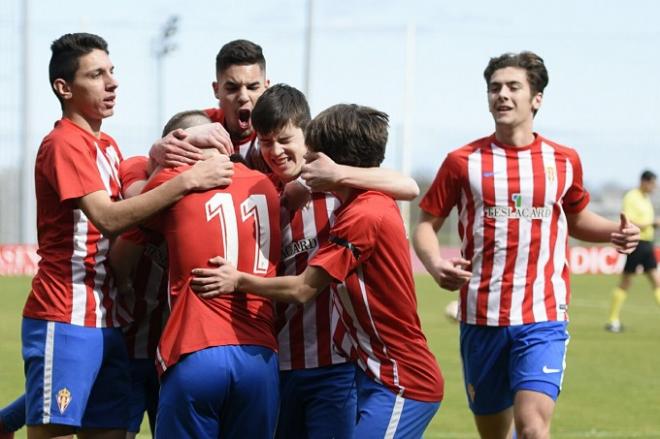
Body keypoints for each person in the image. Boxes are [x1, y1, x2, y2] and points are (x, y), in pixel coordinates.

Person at [412, 51, 640, 439]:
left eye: (513, 87)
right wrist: (435, 264)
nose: (501, 95)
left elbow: (578, 217)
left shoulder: (564, 160)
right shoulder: (462, 161)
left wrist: (614, 233)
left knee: (533, 428)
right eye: (494, 88)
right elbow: (426, 225)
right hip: (481, 318)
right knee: (495, 434)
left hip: (543, 315)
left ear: (537, 98)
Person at [22, 32, 231, 439]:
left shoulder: (109, 145)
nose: (112, 82)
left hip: (108, 320)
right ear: (63, 88)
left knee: (112, 431)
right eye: (96, 74)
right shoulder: (63, 143)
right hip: (65, 314)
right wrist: (188, 179)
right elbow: (110, 218)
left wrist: (163, 153)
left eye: (112, 71)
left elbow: (139, 195)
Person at [193, 103, 443, 438]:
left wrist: (237, 280)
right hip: (371, 375)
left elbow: (302, 289)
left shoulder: (363, 213)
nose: (304, 160)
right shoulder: (353, 201)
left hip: (400, 379)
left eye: (311, 154)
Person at [140, 130, 282, 438]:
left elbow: (129, 217)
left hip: (196, 347)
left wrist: (158, 156)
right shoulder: (266, 185)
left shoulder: (176, 179)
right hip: (258, 355)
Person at [149, 39, 269, 171]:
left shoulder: (282, 127)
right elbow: (136, 165)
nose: (243, 97)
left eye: (252, 87)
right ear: (216, 90)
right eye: (232, 88)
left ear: (266, 88)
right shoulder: (200, 125)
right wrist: (154, 151)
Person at [606, 170, 660, 332]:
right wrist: (652, 223)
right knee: (626, 281)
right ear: (644, 181)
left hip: (648, 244)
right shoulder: (632, 196)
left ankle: (613, 320)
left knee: (656, 281)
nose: (654, 187)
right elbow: (629, 220)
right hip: (636, 243)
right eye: (652, 183)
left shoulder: (646, 198)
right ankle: (613, 320)